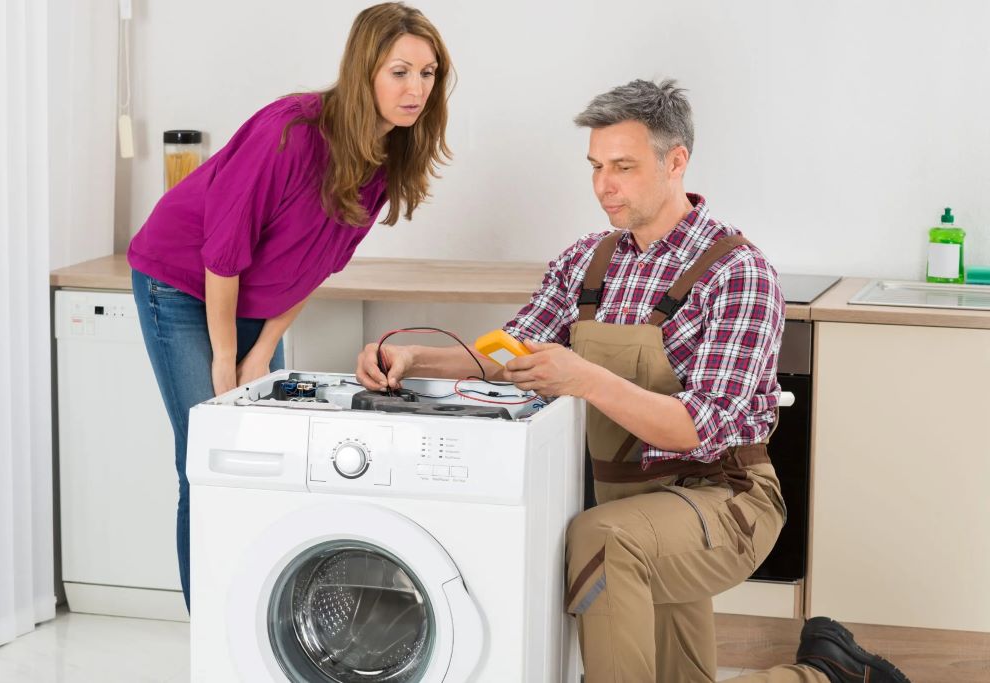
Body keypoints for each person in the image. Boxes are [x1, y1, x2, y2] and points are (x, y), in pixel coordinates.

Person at [355, 80, 909, 682]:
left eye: (623, 166)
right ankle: (832, 674)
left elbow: (696, 428)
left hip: (724, 502)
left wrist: (584, 377)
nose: (603, 186)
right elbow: (509, 354)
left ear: (676, 162)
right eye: (595, 166)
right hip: (635, 502)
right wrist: (414, 359)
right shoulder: (585, 259)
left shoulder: (737, 272)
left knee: (601, 539)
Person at [128, 2, 453, 611]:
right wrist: (229, 359)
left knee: (261, 458)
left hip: (249, 299)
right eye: (400, 72)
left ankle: (255, 623)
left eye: (428, 74)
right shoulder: (292, 131)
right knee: (208, 457)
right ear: (365, 72)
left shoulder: (387, 154)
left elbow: (317, 264)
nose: (416, 90)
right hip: (182, 283)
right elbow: (223, 251)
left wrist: (263, 349)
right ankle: (213, 638)